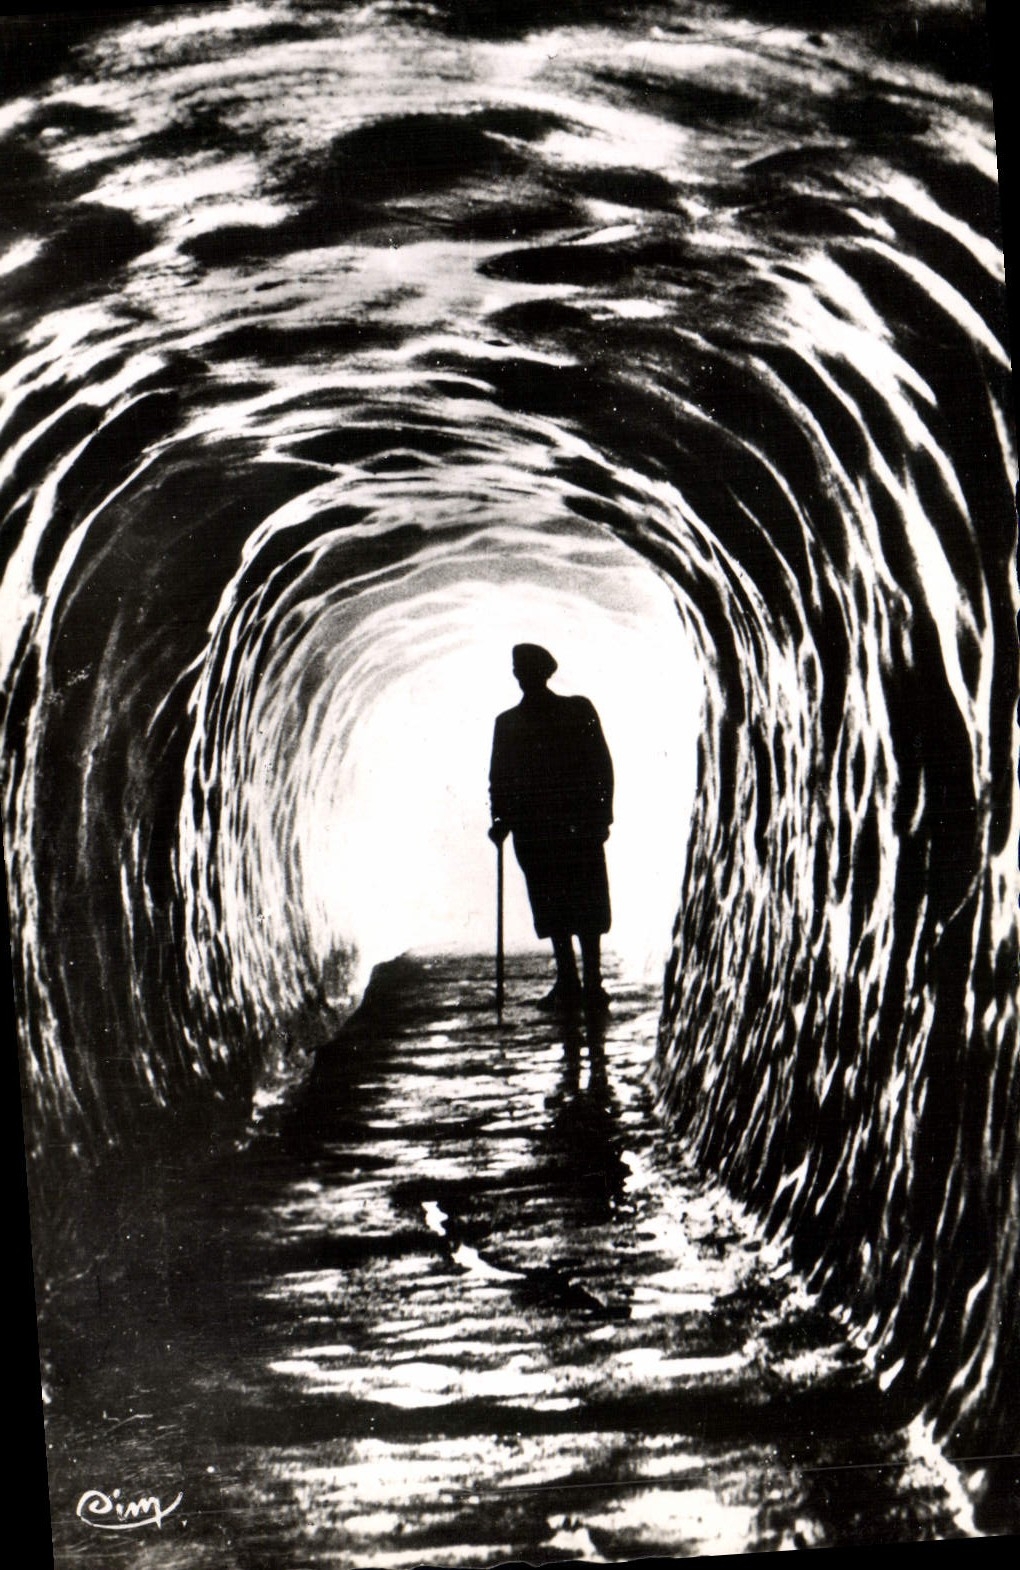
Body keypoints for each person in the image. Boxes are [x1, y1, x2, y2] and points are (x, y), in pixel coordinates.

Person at [488, 643, 614, 1011]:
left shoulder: (511, 722)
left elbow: (501, 779)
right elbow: (601, 765)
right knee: (576, 904)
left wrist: (501, 820)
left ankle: (577, 982)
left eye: (521, 668)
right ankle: (583, 983)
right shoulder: (575, 710)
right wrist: (602, 814)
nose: (518, 674)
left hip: (542, 830)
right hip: (570, 827)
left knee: (558, 904)